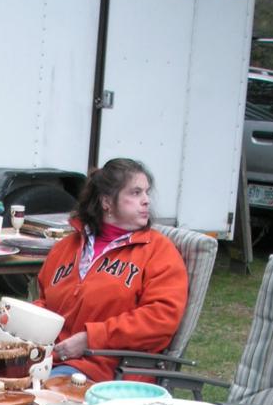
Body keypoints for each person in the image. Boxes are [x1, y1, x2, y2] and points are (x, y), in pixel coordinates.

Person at [36, 158, 188, 383]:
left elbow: (160, 319)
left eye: (146, 192)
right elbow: (45, 302)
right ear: (106, 201)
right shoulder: (66, 247)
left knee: (29, 399)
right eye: (135, 193)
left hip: (108, 371)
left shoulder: (159, 251)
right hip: (47, 360)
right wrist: (25, 321)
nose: (146, 200)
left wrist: (91, 338)